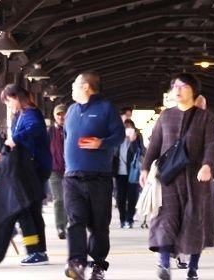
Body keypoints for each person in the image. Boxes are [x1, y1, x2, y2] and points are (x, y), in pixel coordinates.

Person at [140, 73, 214, 280]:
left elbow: (211, 144)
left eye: (183, 86)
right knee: (165, 218)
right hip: (168, 177)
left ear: (194, 90)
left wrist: (207, 165)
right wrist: (145, 168)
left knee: (194, 221)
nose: (178, 89)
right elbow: (155, 144)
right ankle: (164, 263)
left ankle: (193, 268)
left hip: (196, 180)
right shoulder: (166, 115)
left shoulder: (206, 117)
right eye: (175, 85)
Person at [63, 72, 125, 280]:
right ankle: (77, 262)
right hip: (72, 176)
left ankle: (98, 264)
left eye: (75, 84)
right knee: (75, 220)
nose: (71, 88)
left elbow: (119, 135)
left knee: (99, 223)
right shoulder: (71, 111)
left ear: (86, 87)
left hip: (99, 176)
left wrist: (102, 143)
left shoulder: (106, 108)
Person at [2, 83, 53, 265]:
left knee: (28, 209)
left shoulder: (30, 113)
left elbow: (35, 129)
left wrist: (14, 139)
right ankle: (38, 251)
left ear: (16, 97)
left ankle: (36, 251)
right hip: (31, 167)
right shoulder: (21, 115)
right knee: (31, 210)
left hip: (34, 168)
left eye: (9, 101)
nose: (9, 106)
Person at [114, 119, 144, 230]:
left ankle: (130, 219)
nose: (128, 130)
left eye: (129, 127)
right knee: (120, 198)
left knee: (133, 197)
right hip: (119, 173)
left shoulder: (137, 138)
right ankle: (122, 219)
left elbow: (139, 152)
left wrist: (133, 141)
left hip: (133, 172)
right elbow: (113, 153)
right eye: (125, 127)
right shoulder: (117, 139)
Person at [47, 103, 68, 239]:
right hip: (54, 170)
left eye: (63, 114)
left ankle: (69, 224)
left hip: (70, 169)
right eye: (58, 114)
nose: (61, 117)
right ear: (54, 116)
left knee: (69, 199)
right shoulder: (49, 132)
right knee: (58, 199)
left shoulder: (72, 129)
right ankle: (60, 226)